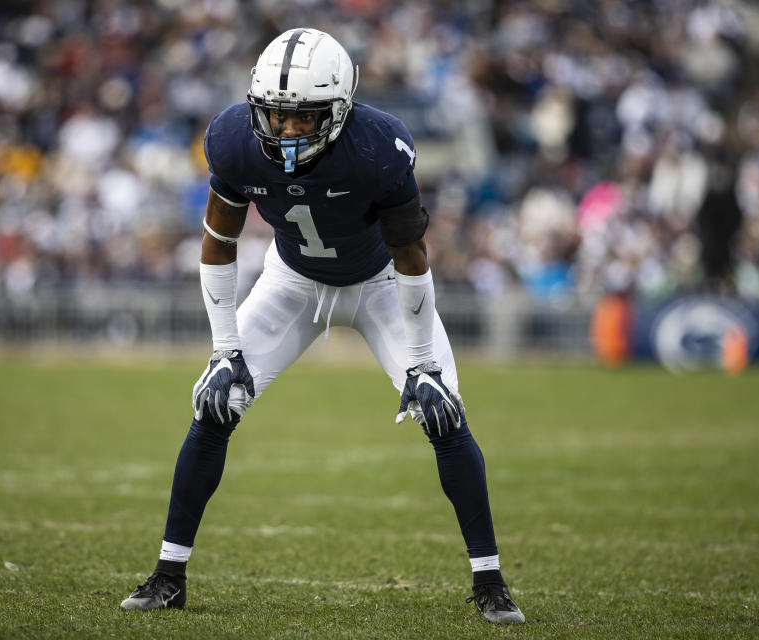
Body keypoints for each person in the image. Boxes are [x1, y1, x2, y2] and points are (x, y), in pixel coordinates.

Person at [120, 28, 525, 625]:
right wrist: (223, 349)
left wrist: (423, 363)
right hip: (292, 282)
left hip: (380, 284)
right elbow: (217, 242)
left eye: (302, 119)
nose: (284, 131)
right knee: (215, 405)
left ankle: (489, 582)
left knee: (446, 414)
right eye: (275, 116)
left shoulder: (378, 147)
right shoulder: (233, 138)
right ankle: (168, 575)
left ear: (339, 111)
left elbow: (412, 257)